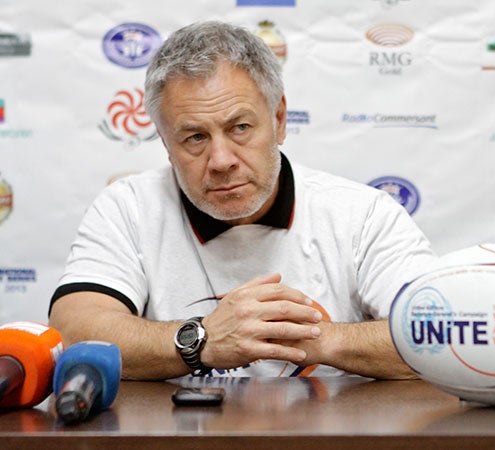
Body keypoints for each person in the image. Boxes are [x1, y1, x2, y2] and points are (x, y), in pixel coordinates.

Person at [48, 21, 437, 381]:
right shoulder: (128, 208)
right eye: (194, 138)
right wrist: (202, 340)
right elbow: (74, 329)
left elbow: (442, 332)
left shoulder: (364, 214)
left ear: (280, 119)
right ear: (166, 144)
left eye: (240, 128)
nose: (221, 161)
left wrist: (311, 339)